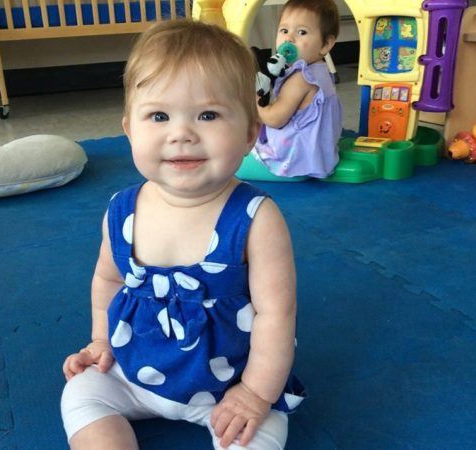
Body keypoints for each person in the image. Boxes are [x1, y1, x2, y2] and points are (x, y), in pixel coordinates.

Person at [61, 19, 305, 450]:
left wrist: (254, 394)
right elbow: (109, 279)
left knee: (261, 433)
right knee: (80, 392)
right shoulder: (121, 210)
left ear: (250, 133)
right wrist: (101, 341)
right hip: (134, 371)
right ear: (129, 129)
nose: (181, 133)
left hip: (228, 387)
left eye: (208, 115)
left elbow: (276, 316)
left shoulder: (255, 218)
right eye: (158, 115)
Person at [250, 0, 343, 179]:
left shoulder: (301, 78)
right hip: (319, 155)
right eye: (284, 30)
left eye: (302, 32)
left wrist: (255, 105)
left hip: (294, 159)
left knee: (238, 145)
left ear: (326, 44)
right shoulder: (322, 71)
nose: (289, 39)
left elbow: (274, 119)